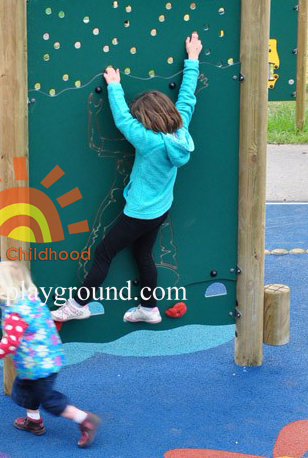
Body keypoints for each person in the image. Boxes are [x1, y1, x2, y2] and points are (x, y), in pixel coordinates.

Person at [51, 33, 203, 325]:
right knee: (143, 253)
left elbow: (123, 120)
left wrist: (115, 86)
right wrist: (193, 59)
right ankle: (149, 307)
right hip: (160, 209)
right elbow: (187, 97)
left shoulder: (148, 141)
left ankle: (78, 304)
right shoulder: (181, 128)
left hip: (138, 212)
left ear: (146, 121)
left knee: (104, 253)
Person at [0, 261, 101, 448]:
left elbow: (11, 343)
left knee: (50, 401)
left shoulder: (15, 314)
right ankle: (34, 422)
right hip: (44, 359)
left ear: (6, 287)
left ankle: (85, 420)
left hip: (38, 365)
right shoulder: (32, 301)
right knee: (24, 390)